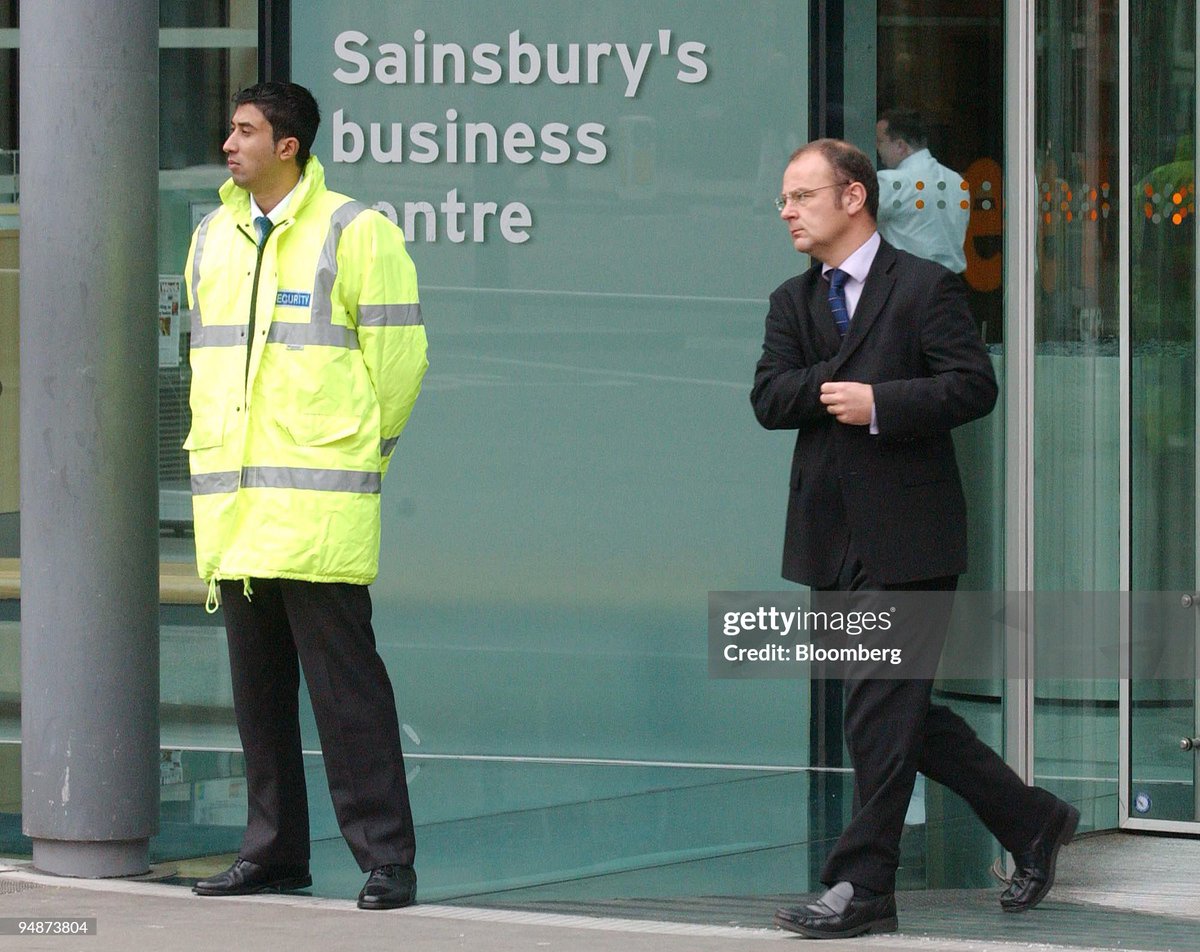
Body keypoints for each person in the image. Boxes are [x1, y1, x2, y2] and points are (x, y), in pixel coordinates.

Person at [750, 139, 1078, 939]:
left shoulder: (925, 287)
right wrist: (839, 393)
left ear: (854, 196)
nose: (787, 212)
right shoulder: (791, 300)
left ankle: (863, 886)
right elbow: (768, 396)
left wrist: (883, 402)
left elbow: (973, 385)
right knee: (897, 712)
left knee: (878, 711)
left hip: (911, 537)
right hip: (831, 536)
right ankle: (1032, 818)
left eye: (802, 196)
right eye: (784, 201)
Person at [183, 82, 428, 911]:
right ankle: (274, 850)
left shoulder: (356, 231)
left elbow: (400, 364)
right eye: (231, 129)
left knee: (348, 695)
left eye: (245, 130)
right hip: (240, 509)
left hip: (317, 509)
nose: (229, 143)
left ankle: (387, 858)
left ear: (289, 145)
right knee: (259, 701)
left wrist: (365, 453)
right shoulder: (212, 235)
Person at [875, 109, 969, 273]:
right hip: (952, 285)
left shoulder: (891, 183)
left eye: (880, 141)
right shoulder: (957, 182)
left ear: (900, 146)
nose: (877, 148)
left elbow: (853, 223)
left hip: (910, 284)